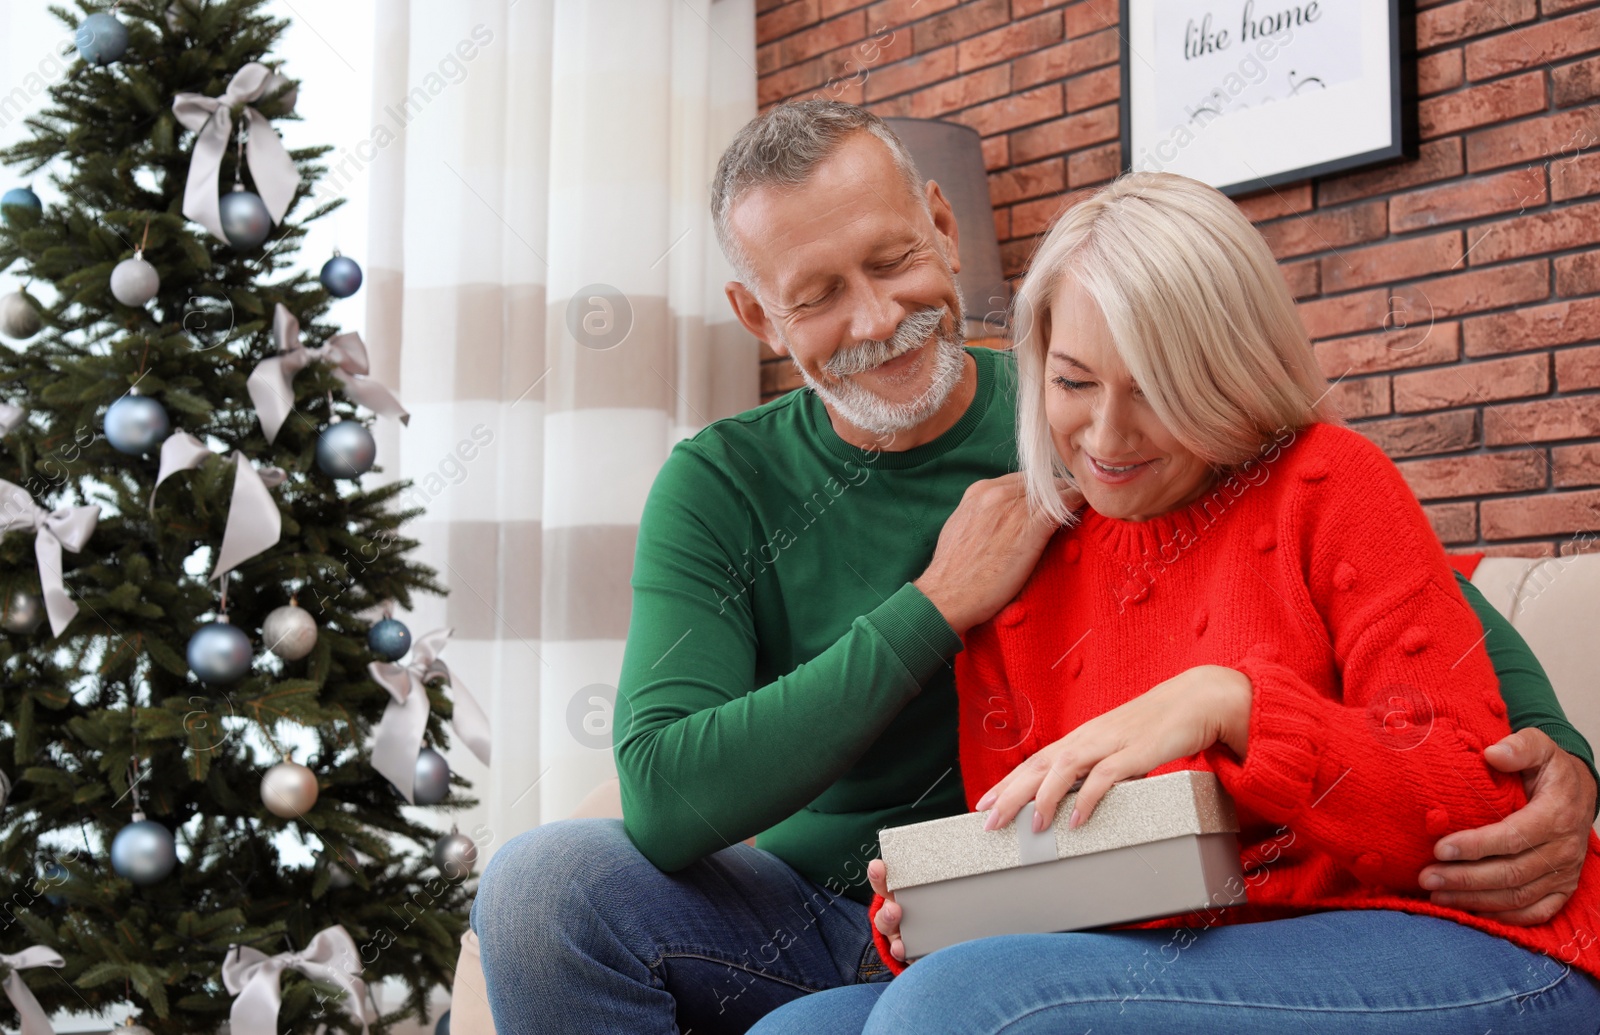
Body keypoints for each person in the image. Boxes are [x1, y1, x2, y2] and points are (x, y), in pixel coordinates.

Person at [469, 101, 1600, 1034]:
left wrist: (1572, 772)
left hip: (1174, 921)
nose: (875, 317)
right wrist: (931, 612)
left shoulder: (1181, 442)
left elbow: (1448, 677)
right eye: (814, 295)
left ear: (944, 228)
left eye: (892, 259)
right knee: (549, 897)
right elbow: (666, 799)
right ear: (756, 315)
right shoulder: (752, 488)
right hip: (878, 915)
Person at [747, 170, 1600, 1035]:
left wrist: (1230, 703)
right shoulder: (1022, 575)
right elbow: (1063, 885)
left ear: (1226, 374)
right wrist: (940, 912)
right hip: (1199, 958)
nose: (1108, 438)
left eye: (1154, 388)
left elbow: (1480, 813)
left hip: (1465, 942)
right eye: (1075, 383)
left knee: (956, 1004)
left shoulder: (1331, 484)